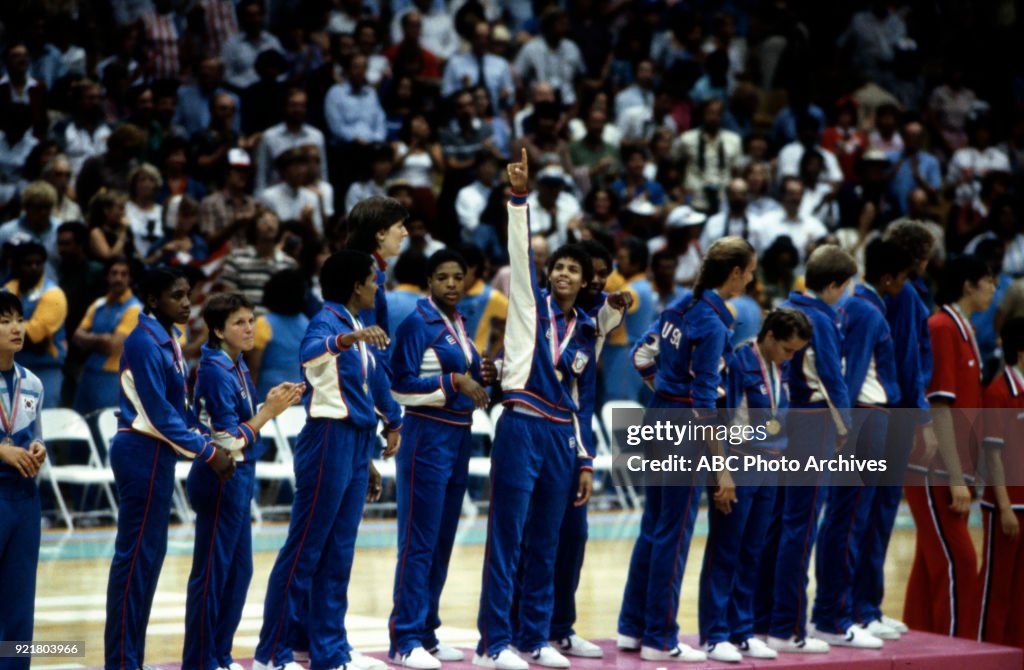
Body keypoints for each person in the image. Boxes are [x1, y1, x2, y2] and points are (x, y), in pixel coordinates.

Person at [474, 150, 598, 670]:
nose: (564, 273)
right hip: (522, 424)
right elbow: (519, 253)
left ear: (586, 280)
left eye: (574, 268)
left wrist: (586, 458)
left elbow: (582, 400)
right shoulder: (529, 305)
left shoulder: (588, 330)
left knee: (547, 540)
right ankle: (493, 643)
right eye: (558, 267)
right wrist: (519, 199)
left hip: (561, 435)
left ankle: (534, 636)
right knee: (508, 536)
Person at [252, 251, 402, 670]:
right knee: (304, 550)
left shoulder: (356, 323)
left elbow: (369, 387)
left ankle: (329, 651)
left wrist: (388, 428)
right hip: (326, 440)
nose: (377, 286)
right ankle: (272, 654)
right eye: (373, 279)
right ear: (356, 284)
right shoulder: (326, 321)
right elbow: (310, 354)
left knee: (339, 552)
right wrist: (347, 341)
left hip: (355, 441)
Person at [618, 237, 756, 664]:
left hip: (658, 414)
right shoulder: (715, 324)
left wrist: (661, 391)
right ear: (734, 273)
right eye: (749, 270)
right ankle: (660, 638)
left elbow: (641, 355)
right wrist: (722, 468)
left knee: (653, 526)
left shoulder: (679, 305)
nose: (751, 278)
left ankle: (632, 628)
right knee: (674, 536)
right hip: (685, 425)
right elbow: (703, 402)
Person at [104, 267, 236, 670]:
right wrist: (207, 452)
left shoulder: (170, 340)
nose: (186, 302)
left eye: (188, 294)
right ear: (152, 299)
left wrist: (207, 438)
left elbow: (178, 411)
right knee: (134, 563)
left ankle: (131, 659)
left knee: (149, 560)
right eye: (177, 296)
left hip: (158, 454)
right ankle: (122, 663)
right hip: (140, 450)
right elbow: (160, 415)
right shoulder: (144, 341)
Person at [388, 249, 497, 669]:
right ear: (430, 281)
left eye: (458, 277)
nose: (452, 283)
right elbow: (400, 387)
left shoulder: (459, 322)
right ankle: (405, 638)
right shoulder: (419, 322)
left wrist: (480, 374)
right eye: (443, 277)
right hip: (425, 437)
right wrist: (453, 381)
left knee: (442, 540)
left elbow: (460, 374)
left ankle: (427, 632)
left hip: (458, 437)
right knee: (418, 541)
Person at [183, 293, 304, 670]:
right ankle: (201, 659)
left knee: (238, 571)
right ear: (218, 330)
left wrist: (264, 404)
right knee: (213, 573)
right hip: (220, 475)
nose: (249, 328)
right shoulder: (216, 370)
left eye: (251, 320)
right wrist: (268, 412)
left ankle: (219, 653)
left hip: (239, 477)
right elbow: (226, 440)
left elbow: (240, 421)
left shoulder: (234, 365)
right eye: (239, 322)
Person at [811, 239, 912, 648]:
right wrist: (845, 424)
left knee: (853, 519)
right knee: (848, 520)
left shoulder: (859, 307)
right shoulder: (866, 310)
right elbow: (848, 375)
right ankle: (839, 614)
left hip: (867, 416)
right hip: (862, 416)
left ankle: (851, 610)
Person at [698, 308, 812, 662]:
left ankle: (742, 631)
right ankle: (714, 634)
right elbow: (717, 419)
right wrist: (722, 473)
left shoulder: (783, 365)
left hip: (770, 465)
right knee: (725, 549)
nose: (791, 358)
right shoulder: (737, 363)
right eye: (788, 350)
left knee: (753, 551)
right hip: (738, 462)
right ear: (770, 337)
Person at [764, 244, 858, 654]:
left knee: (778, 524)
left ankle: (765, 620)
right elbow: (833, 379)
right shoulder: (821, 318)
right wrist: (846, 428)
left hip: (782, 419)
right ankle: (789, 629)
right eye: (847, 286)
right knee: (800, 529)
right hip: (813, 422)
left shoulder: (785, 306)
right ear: (834, 286)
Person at [851, 220, 938, 638]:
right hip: (894, 414)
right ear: (916, 259)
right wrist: (921, 417)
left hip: (892, 412)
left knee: (878, 515)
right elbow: (906, 363)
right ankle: (858, 607)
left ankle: (867, 605)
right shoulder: (904, 298)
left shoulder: (905, 295)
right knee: (870, 514)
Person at [903, 254, 995, 638]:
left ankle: (918, 650)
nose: (995, 288)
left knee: (930, 567)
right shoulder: (942, 327)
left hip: (952, 469)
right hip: (935, 470)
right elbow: (939, 406)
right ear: (968, 285)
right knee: (959, 563)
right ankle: (959, 656)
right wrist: (957, 478)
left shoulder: (966, 330)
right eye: (989, 280)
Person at [547, 239, 628, 660]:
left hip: (573, 436)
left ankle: (560, 627)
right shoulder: (540, 313)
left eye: (600, 273)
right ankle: (523, 628)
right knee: (533, 540)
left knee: (573, 537)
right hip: (533, 434)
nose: (596, 280)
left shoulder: (587, 324)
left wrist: (586, 457)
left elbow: (603, 325)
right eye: (588, 271)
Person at [0, 291, 47, 670]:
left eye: (18, 319)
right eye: (4, 321)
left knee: (20, 601)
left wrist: (36, 449)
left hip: (25, 498)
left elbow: (37, 434)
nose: (16, 328)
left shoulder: (31, 382)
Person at [977, 316, 1024, 648]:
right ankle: (986, 651)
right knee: (997, 587)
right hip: (1006, 508)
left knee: (1020, 588)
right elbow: (993, 456)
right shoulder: (999, 392)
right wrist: (1005, 508)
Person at [72, 256, 141, 415]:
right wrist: (101, 339)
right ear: (107, 276)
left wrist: (90, 339)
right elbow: (76, 336)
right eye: (114, 273)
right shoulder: (99, 304)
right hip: (89, 372)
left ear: (130, 278)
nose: (119, 278)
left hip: (112, 376)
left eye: (124, 274)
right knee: (79, 425)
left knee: (103, 427)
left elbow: (112, 346)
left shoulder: (134, 308)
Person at [4, 241, 67, 407]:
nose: (34, 268)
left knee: (44, 425)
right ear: (16, 266)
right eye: (28, 264)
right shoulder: (8, 289)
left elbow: (34, 338)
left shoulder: (53, 294)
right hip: (12, 369)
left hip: (44, 370)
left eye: (38, 263)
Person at [250, 269, 311, 400]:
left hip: (269, 395)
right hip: (299, 393)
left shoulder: (263, 323)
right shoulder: (307, 323)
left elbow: (254, 366)